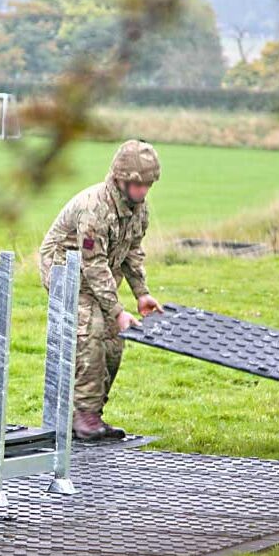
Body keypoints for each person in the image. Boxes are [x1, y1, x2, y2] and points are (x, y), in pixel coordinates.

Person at [39, 139, 163, 441]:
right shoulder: (95, 208)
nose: (143, 191)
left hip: (101, 272)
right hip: (66, 271)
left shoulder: (138, 209)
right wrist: (117, 310)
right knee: (91, 331)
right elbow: (91, 264)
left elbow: (133, 250)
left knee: (115, 343)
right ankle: (84, 416)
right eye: (137, 184)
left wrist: (141, 293)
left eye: (148, 184)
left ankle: (93, 412)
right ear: (120, 178)